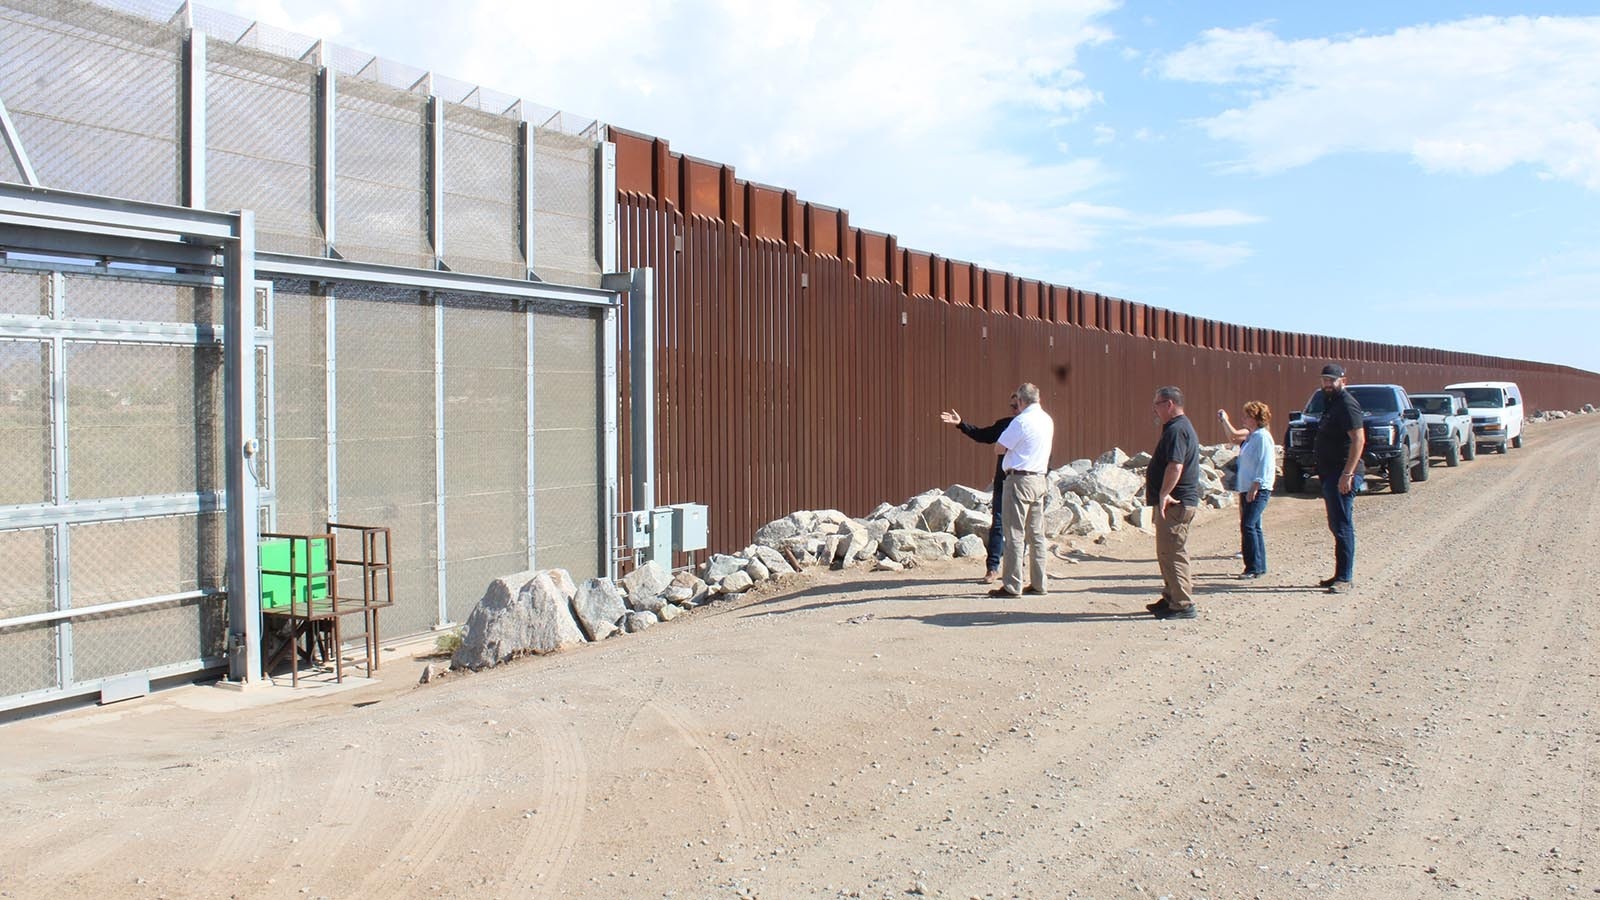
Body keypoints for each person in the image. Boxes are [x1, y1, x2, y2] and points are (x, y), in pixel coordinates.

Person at [939, 393, 1019, 584]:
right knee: (998, 523)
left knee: (1020, 526)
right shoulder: (1006, 425)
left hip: (1026, 482)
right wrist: (961, 424)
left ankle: (1017, 568)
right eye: (1012, 406)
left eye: (1017, 405)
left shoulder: (1036, 426)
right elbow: (983, 435)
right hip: (1004, 480)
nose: (1014, 409)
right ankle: (993, 568)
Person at [989, 382, 1055, 598]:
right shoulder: (1047, 420)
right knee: (1036, 534)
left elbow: (1000, 446)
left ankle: (1012, 584)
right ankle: (1039, 582)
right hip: (1039, 478)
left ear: (1020, 400)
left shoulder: (1021, 421)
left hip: (1019, 479)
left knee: (1014, 533)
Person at [1145, 386, 1201, 620]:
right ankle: (1171, 596)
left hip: (1176, 503)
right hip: (1173, 503)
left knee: (1174, 552)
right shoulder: (1176, 428)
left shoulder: (1177, 430)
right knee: (1165, 552)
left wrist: (1165, 493)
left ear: (1169, 404)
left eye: (1157, 404)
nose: (1154, 409)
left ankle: (1182, 604)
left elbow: (1175, 465)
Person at [1313, 364, 1364, 593]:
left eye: (1331, 380)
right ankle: (1339, 574)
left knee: (1343, 525)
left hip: (1342, 473)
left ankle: (1345, 578)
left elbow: (1358, 440)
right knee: (1336, 525)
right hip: (1330, 473)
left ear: (1343, 380)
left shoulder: (1347, 404)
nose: (1327, 384)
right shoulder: (1331, 401)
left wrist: (1348, 473)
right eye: (1324, 380)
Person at [1218, 402, 1276, 579]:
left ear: (1256, 418)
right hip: (1246, 487)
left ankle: (1252, 567)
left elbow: (1265, 463)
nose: (1243, 418)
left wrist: (1256, 485)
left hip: (1257, 488)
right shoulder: (1252, 437)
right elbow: (1233, 437)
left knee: (1249, 525)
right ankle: (1259, 565)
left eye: (1247, 416)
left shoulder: (1262, 437)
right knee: (1254, 525)